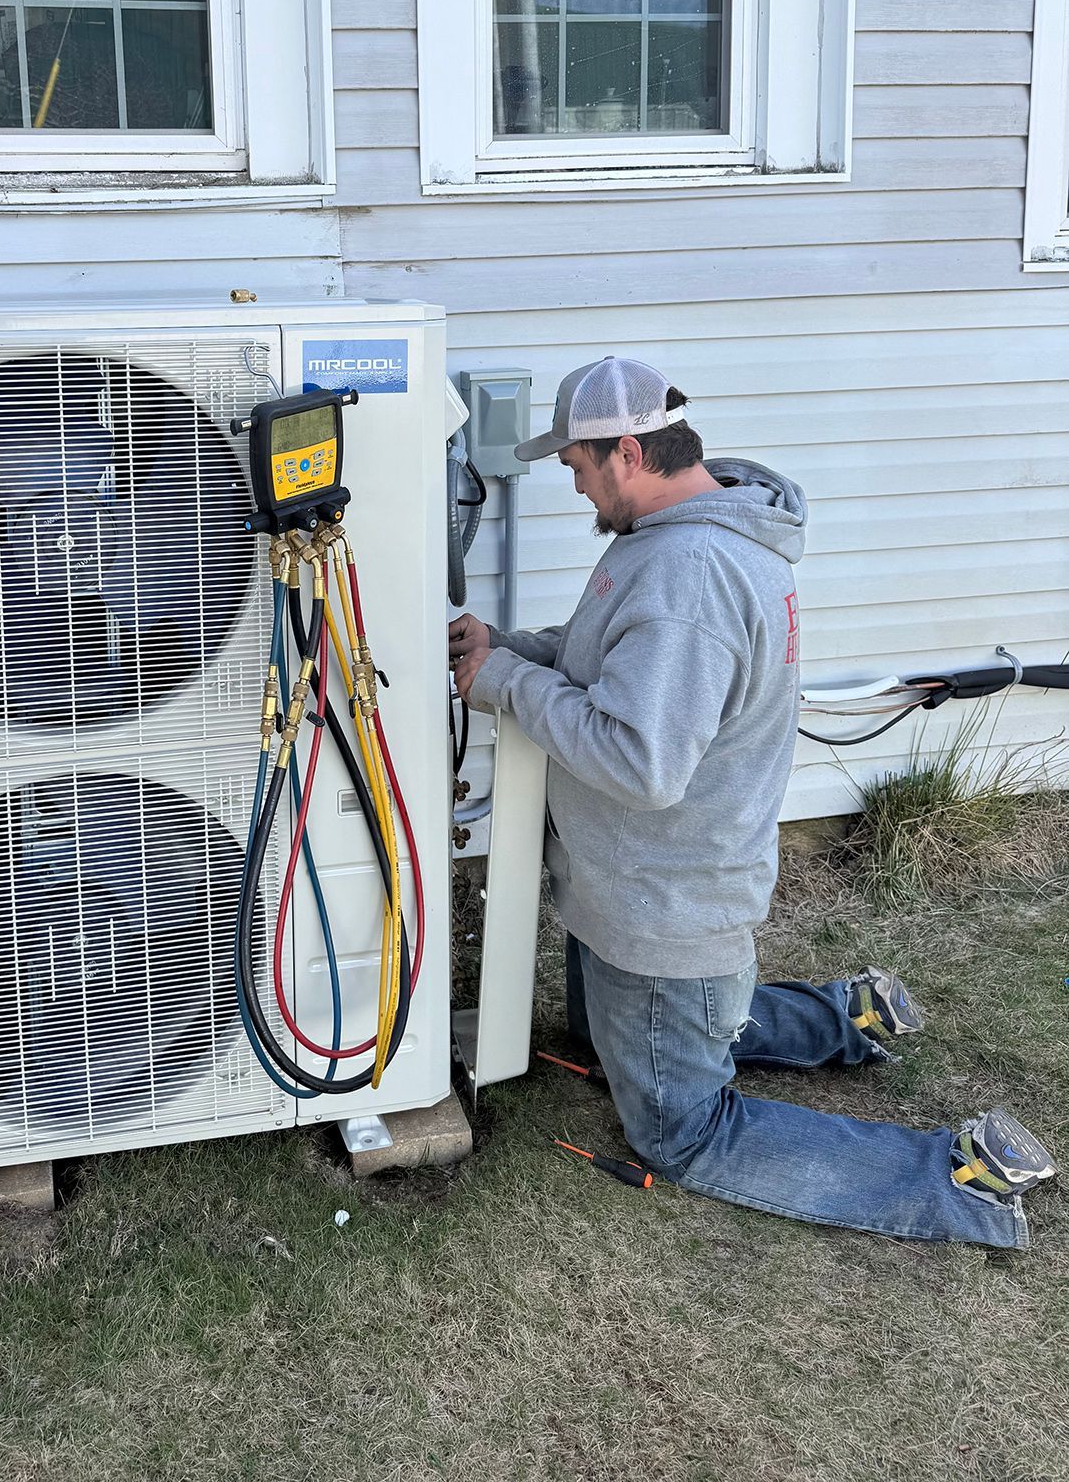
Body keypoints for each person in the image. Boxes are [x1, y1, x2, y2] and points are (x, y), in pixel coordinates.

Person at [448, 355, 1056, 1249]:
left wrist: (505, 684)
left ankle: (957, 1180)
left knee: (679, 1130)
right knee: (603, 1029)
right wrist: (513, 647)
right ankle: (845, 1016)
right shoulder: (675, 538)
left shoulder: (691, 572)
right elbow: (604, 660)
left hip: (663, 902)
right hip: (630, 886)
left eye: (577, 469)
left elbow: (641, 759)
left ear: (626, 452)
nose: (575, 491)